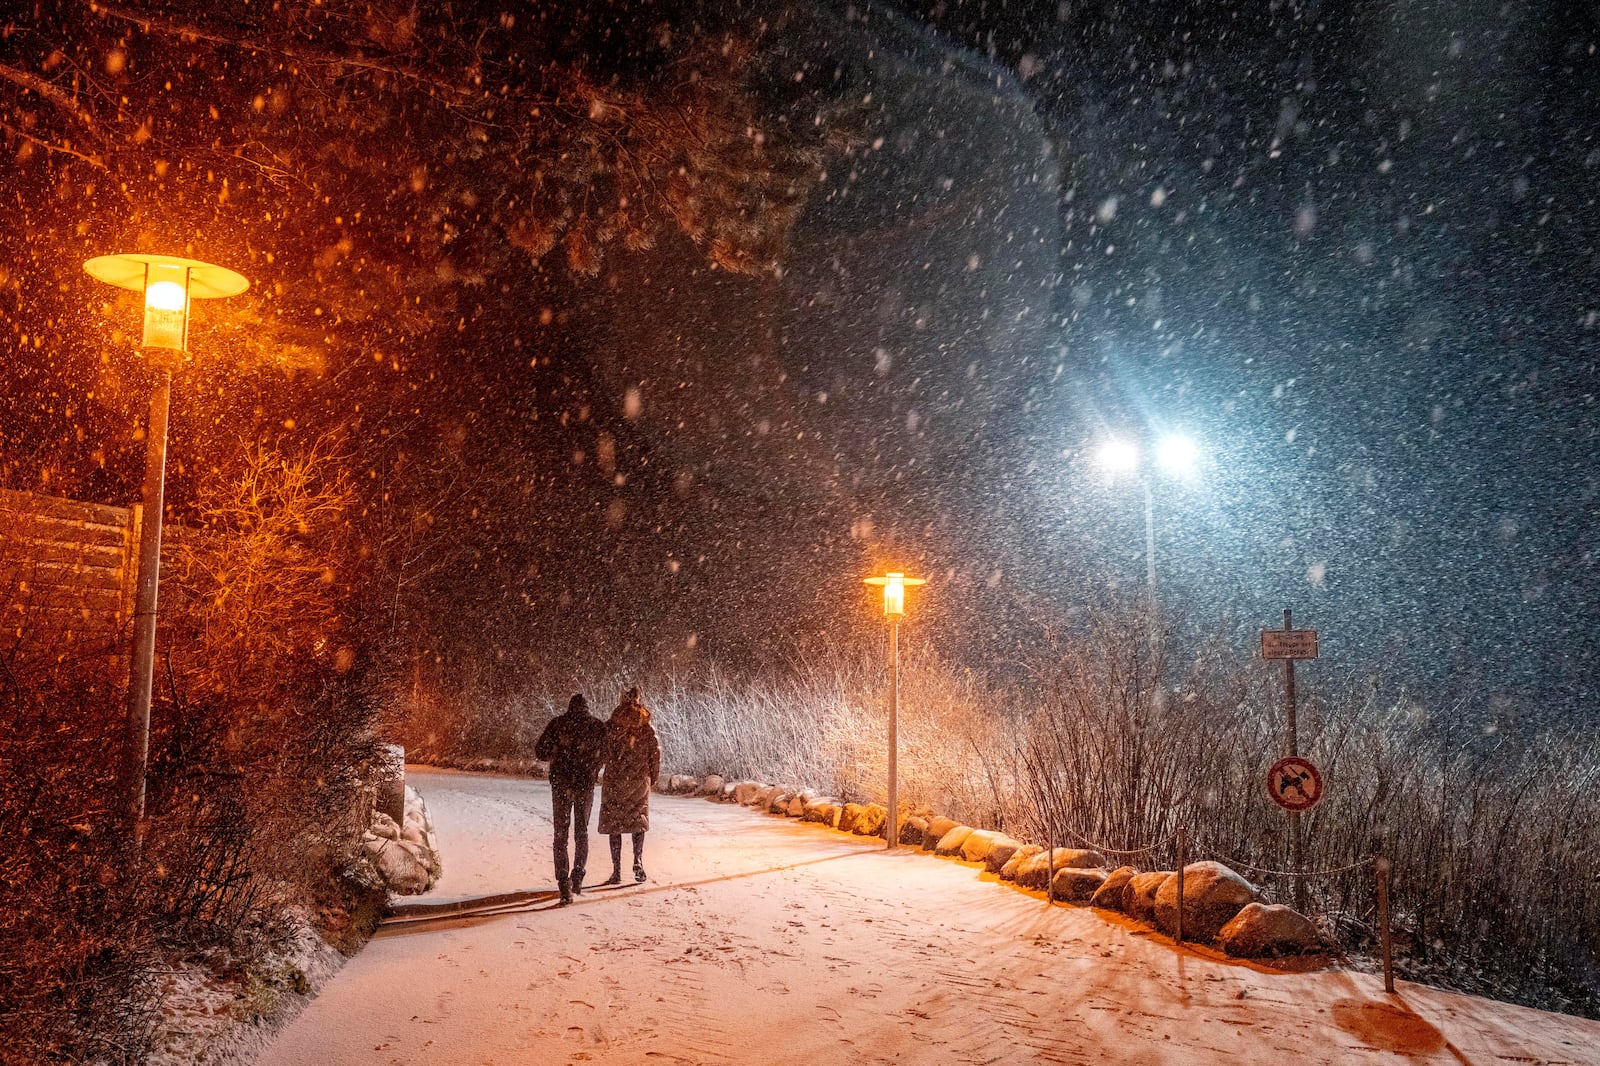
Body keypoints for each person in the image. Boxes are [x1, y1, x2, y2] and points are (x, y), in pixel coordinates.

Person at [533, 693, 607, 905]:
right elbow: (607, 753)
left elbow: (540, 751)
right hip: (585, 785)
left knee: (561, 833)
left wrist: (558, 752)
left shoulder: (557, 724)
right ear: (587, 708)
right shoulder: (597, 727)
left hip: (561, 784)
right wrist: (593, 766)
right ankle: (578, 876)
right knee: (581, 832)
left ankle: (563, 881)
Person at [598, 685, 661, 884]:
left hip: (614, 781)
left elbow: (602, 751)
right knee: (637, 820)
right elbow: (655, 754)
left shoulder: (611, 725)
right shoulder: (645, 727)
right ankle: (638, 860)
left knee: (614, 823)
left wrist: (598, 769)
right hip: (639, 780)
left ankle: (616, 871)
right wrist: (653, 777)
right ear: (637, 699)